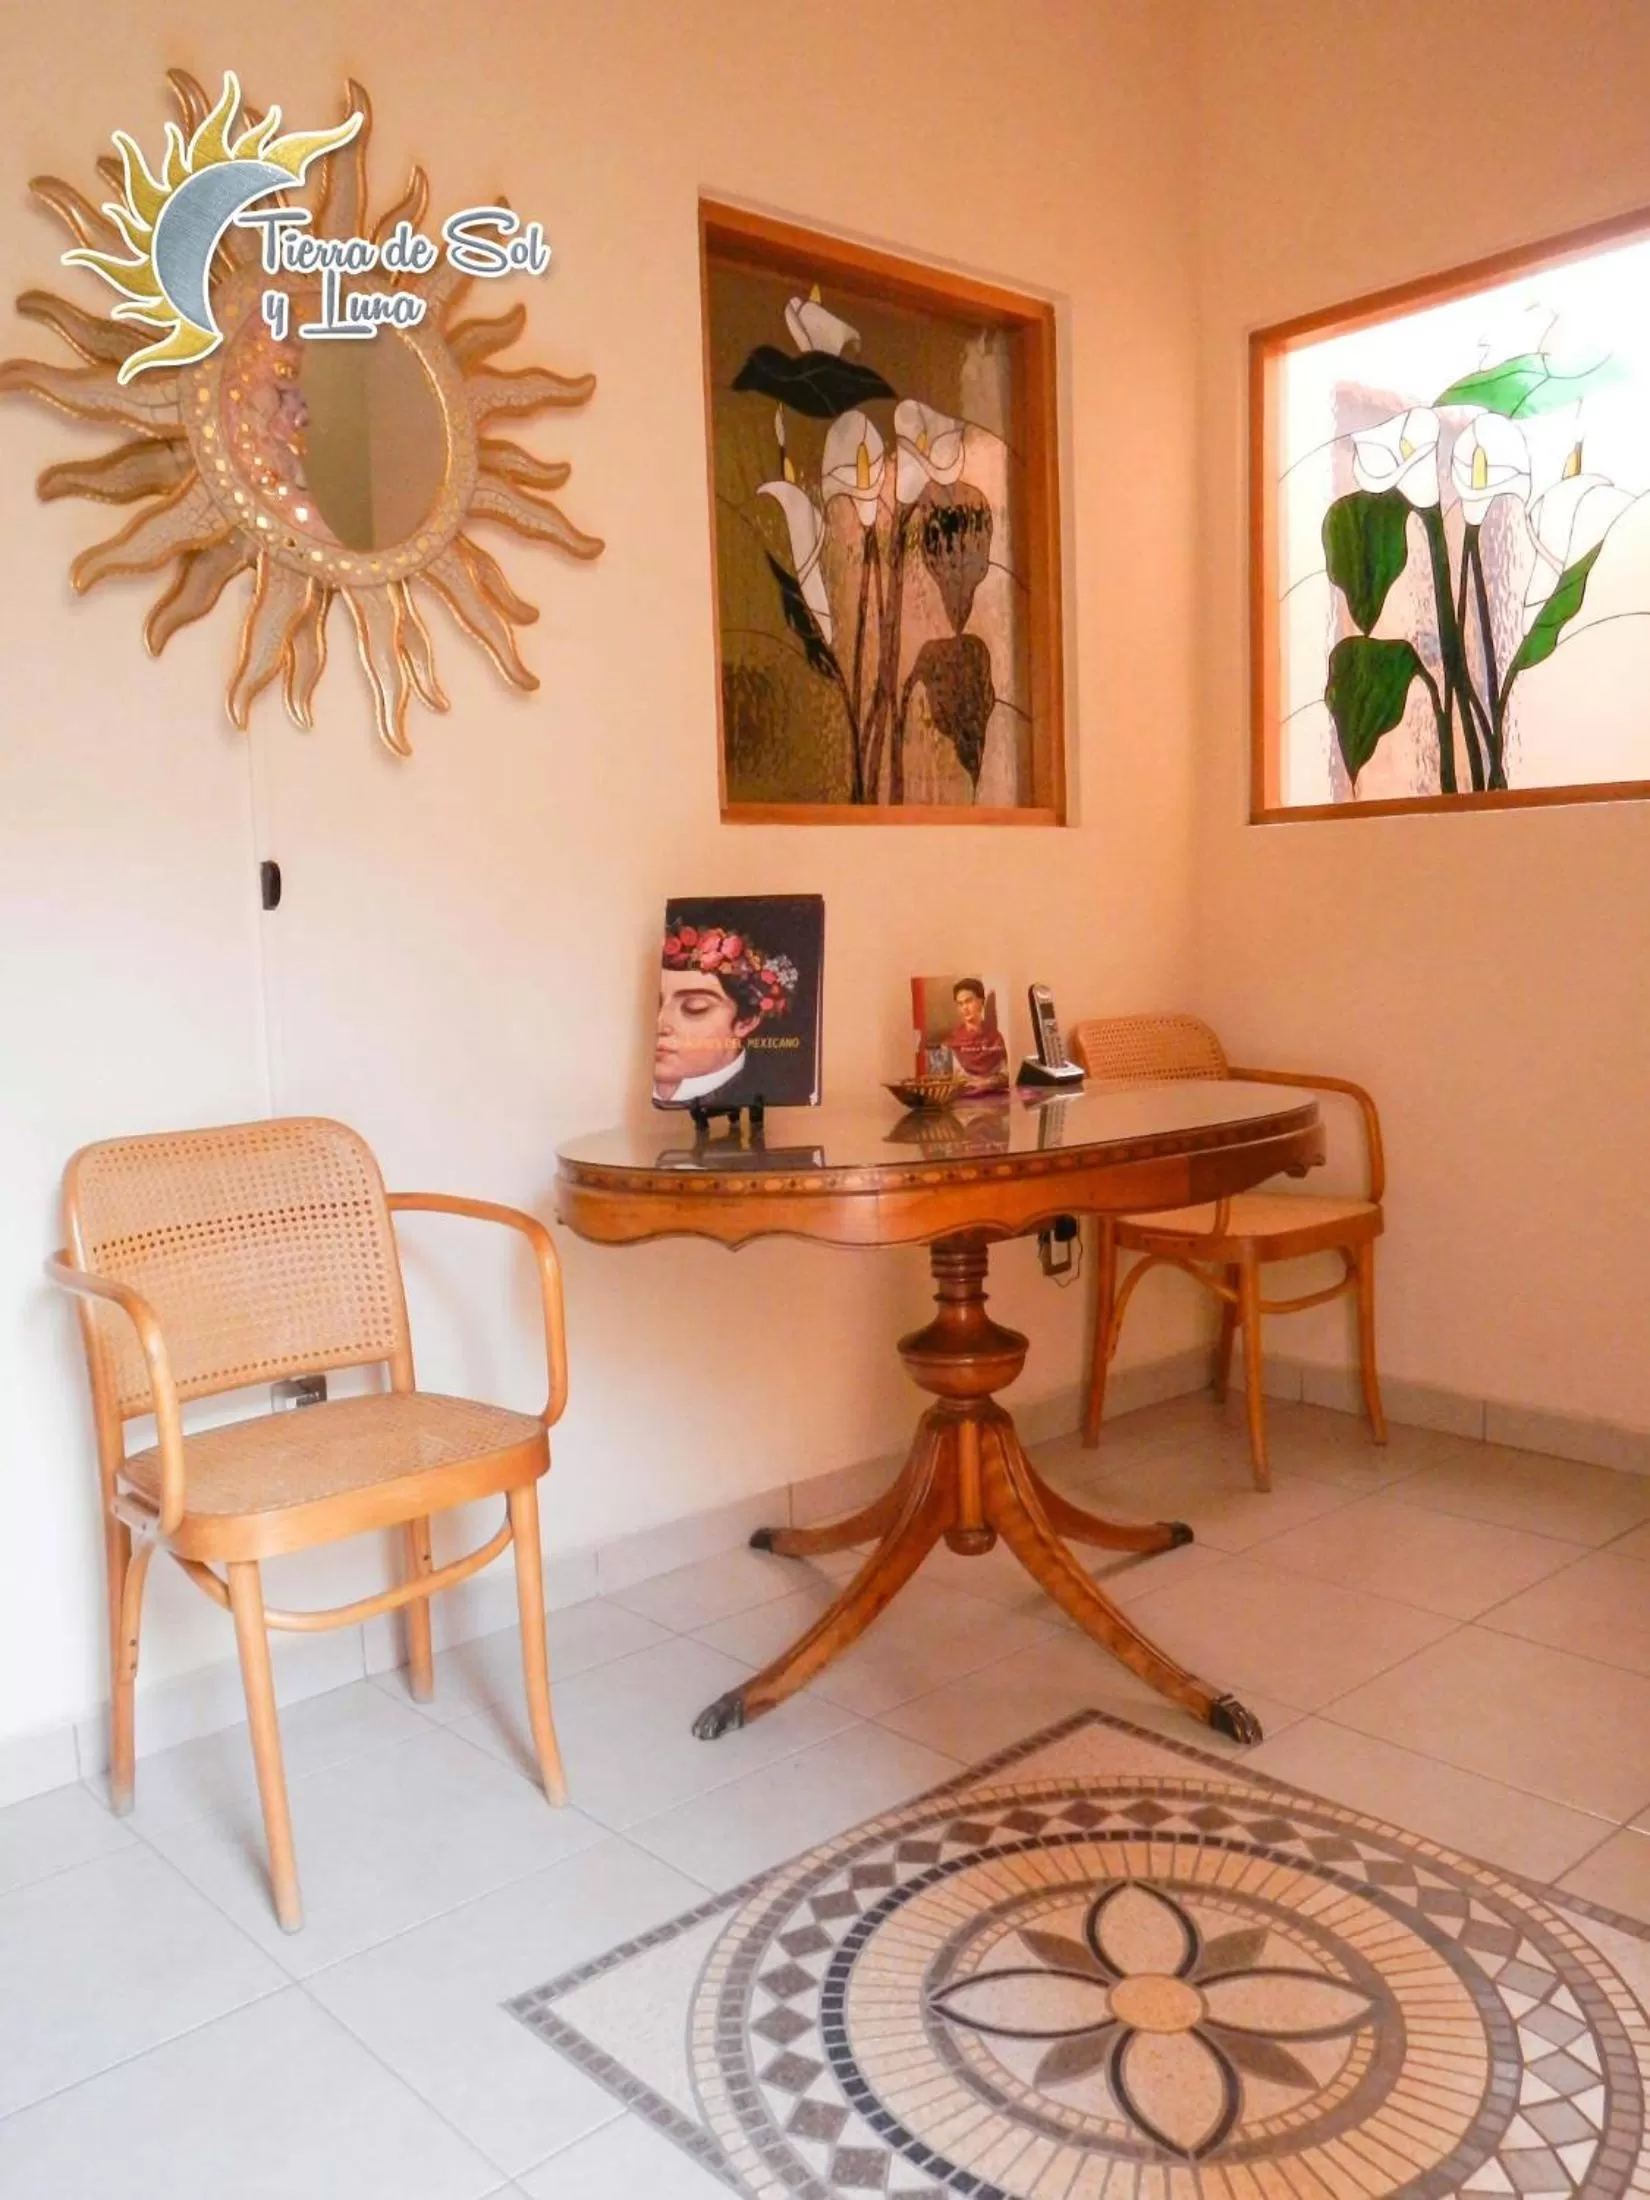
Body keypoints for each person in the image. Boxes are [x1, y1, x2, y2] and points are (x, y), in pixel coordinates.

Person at [653, 920, 799, 1107]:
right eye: (656, 1004)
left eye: (695, 1007)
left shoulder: (772, 1091)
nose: (659, 1023)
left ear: (746, 1021)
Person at [944, 978, 1008, 1093]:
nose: (964, 1008)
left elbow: (1005, 1076)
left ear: (981, 1001)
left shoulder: (995, 1038)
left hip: (995, 1105)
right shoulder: (953, 1041)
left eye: (968, 1001)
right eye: (960, 1004)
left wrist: (985, 1083)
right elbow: (949, 1081)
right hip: (963, 1106)